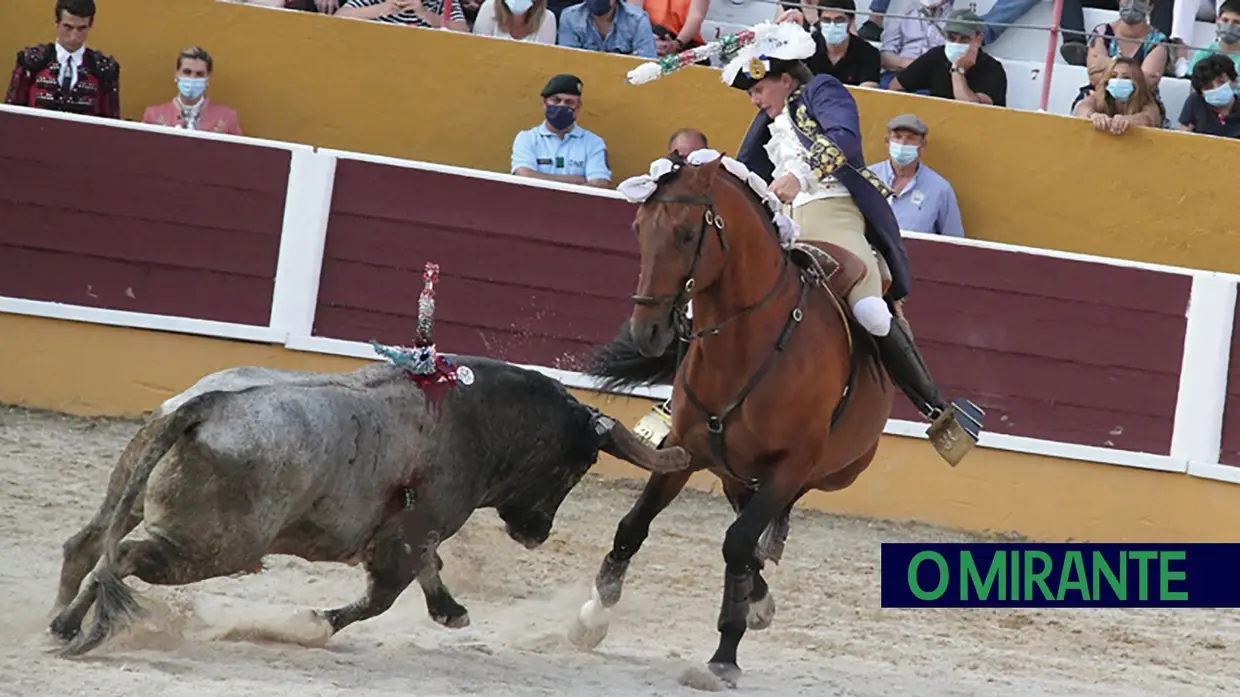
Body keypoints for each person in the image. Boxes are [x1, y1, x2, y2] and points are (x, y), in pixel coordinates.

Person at [723, 22, 977, 445]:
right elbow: (744, 167)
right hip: (781, 216)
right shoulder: (768, 117)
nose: (754, 100)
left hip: (831, 209)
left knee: (871, 310)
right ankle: (680, 402)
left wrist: (799, 176)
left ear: (785, 80)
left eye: (758, 89)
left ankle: (935, 406)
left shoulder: (823, 89)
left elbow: (843, 138)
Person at [4, 0, 120, 119]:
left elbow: (110, 123)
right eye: (68, 27)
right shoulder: (31, 61)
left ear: (90, 25)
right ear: (57, 22)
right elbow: (12, 114)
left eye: (82, 28)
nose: (74, 36)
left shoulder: (103, 69)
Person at [867, 114, 965, 238]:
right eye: (897, 137)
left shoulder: (939, 189)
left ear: (922, 145)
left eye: (911, 138)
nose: (903, 143)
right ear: (887, 141)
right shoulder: (867, 178)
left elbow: (954, 240)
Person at [511, 73, 611, 187]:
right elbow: (524, 176)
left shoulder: (594, 143)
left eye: (569, 102)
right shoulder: (526, 138)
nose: (562, 106)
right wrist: (577, 180)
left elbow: (599, 184)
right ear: (545, 103)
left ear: (578, 107)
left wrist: (540, 177)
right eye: (556, 100)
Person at [141, 47, 243, 135]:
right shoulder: (153, 115)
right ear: (176, 74)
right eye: (187, 72)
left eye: (199, 74)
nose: (192, 78)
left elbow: (237, 155)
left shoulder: (226, 118)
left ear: (207, 78)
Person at [1178, 53, 1240, 138]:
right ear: (1201, 93)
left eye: (1221, 82)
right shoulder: (1195, 102)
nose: (1216, 88)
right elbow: (1183, 137)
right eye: (1208, 87)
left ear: (1234, 81)